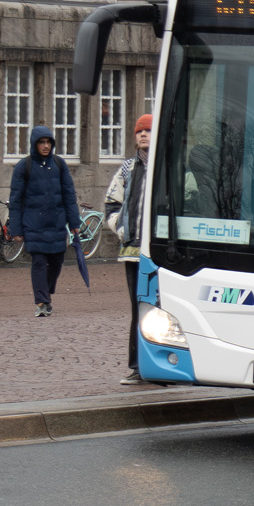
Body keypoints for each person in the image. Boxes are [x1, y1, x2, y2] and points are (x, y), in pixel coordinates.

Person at [8, 124, 81, 318]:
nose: (46, 145)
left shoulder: (59, 164)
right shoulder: (24, 166)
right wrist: (16, 229)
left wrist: (74, 223)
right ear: (35, 144)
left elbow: (69, 195)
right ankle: (41, 302)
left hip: (57, 223)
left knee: (56, 261)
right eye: (42, 142)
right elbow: (15, 199)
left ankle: (46, 293)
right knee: (39, 262)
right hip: (33, 224)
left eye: (48, 142)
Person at [105, 114, 152, 384]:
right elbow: (111, 203)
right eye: (139, 132)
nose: (143, 135)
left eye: (147, 131)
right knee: (138, 309)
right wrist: (121, 229)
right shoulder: (126, 169)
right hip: (132, 253)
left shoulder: (169, 167)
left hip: (160, 254)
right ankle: (137, 367)